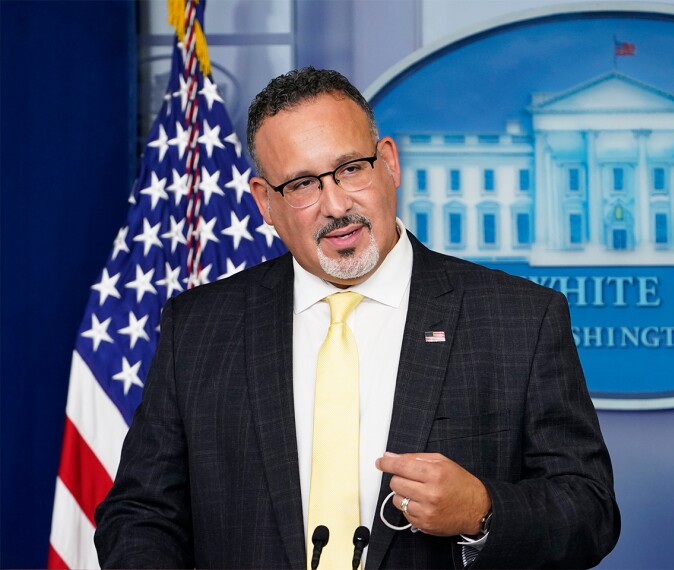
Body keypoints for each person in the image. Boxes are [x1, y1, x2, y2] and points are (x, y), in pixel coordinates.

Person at [94, 67, 620, 569]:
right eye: (301, 184)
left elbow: (590, 511)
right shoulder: (199, 326)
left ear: (388, 163)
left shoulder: (519, 319)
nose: (334, 204)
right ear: (264, 202)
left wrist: (483, 511)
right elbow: (142, 512)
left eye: (350, 168)